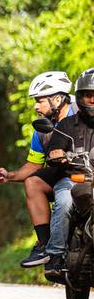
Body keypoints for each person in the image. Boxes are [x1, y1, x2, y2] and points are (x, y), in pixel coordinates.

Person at [0, 71, 76, 267]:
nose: (36, 106)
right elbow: (34, 165)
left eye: (40, 100)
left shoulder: (83, 111)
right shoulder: (42, 129)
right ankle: (45, 246)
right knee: (32, 182)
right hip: (63, 175)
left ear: (57, 99)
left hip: (86, 172)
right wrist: (9, 175)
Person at [44, 68, 94, 276]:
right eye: (88, 95)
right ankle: (55, 256)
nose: (92, 100)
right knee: (64, 202)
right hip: (75, 179)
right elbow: (53, 149)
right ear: (80, 97)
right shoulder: (66, 125)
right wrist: (56, 153)